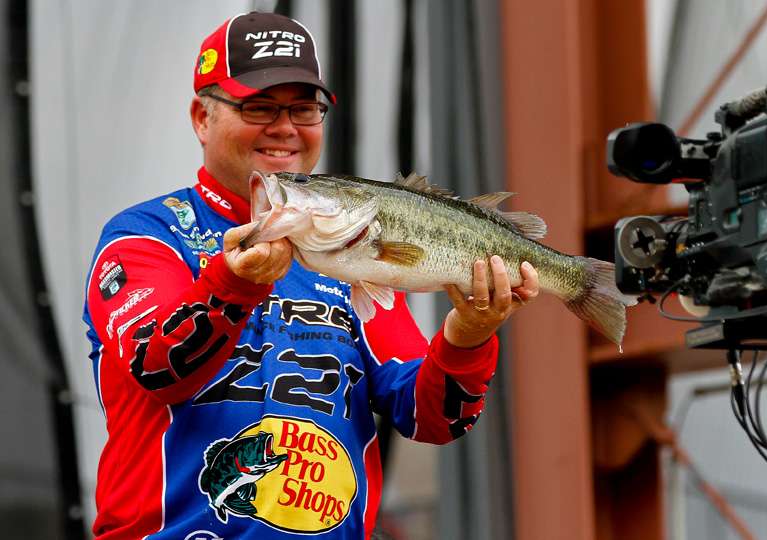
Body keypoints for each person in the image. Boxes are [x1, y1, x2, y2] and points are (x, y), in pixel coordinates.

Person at [82, 11, 539, 540]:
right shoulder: (145, 238)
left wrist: (469, 334)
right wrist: (234, 283)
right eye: (258, 107)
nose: (284, 128)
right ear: (201, 118)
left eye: (304, 108)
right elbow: (160, 369)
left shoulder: (350, 252)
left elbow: (428, 417)